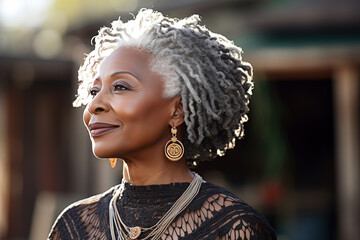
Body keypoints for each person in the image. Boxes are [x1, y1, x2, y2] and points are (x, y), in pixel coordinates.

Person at [48, 8, 277, 240]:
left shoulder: (234, 226)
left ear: (176, 111)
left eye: (120, 87)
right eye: (94, 91)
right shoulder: (73, 226)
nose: (94, 104)